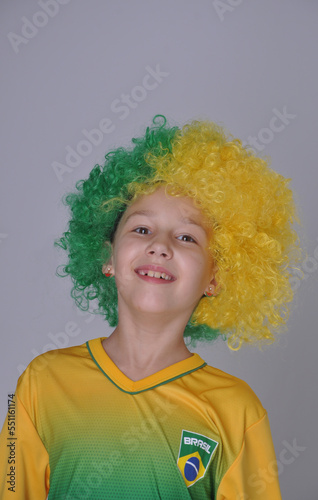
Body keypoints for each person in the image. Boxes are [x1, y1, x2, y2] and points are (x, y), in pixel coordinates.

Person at [0, 115, 301, 499]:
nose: (160, 245)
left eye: (187, 237)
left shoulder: (238, 411)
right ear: (107, 256)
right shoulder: (40, 382)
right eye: (141, 229)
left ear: (216, 277)